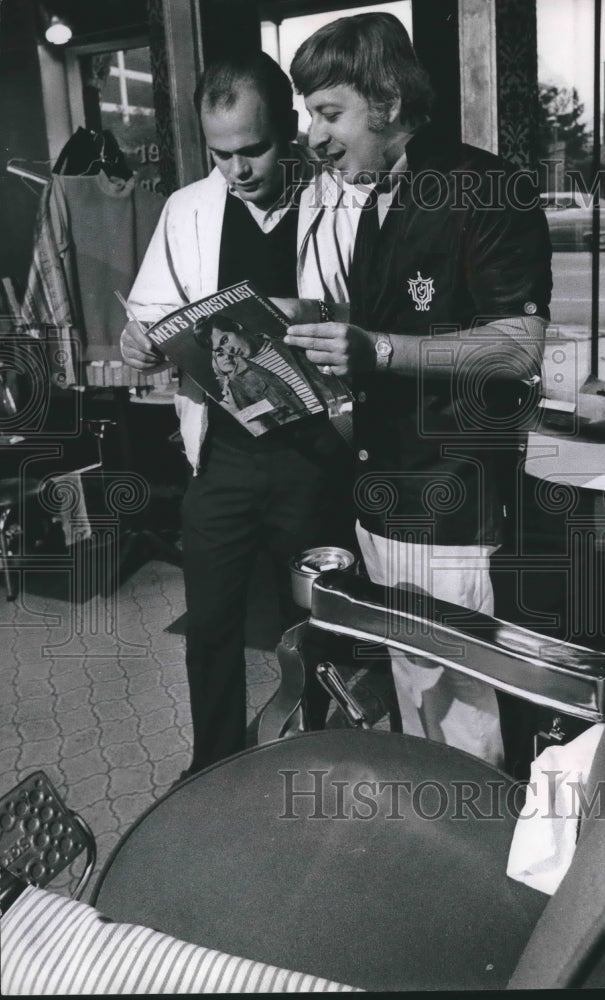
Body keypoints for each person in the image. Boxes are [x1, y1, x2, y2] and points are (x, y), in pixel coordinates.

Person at [284, 12, 553, 767]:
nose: (314, 135)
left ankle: (486, 862)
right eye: (311, 115)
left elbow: (518, 346)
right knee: (414, 681)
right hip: (384, 492)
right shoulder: (375, 206)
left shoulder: (487, 188)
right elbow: (386, 352)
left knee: (467, 703)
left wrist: (379, 348)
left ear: (390, 104)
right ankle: (440, 853)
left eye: (329, 113)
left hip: (449, 503)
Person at [120, 51, 360, 775]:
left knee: (318, 622)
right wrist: (141, 345)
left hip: (314, 455)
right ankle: (215, 767)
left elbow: (373, 328)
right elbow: (156, 315)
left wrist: (311, 315)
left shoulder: (342, 203)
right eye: (221, 154)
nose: (238, 170)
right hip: (224, 457)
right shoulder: (187, 209)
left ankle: (320, 757)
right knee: (213, 625)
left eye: (252, 149)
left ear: (287, 128)